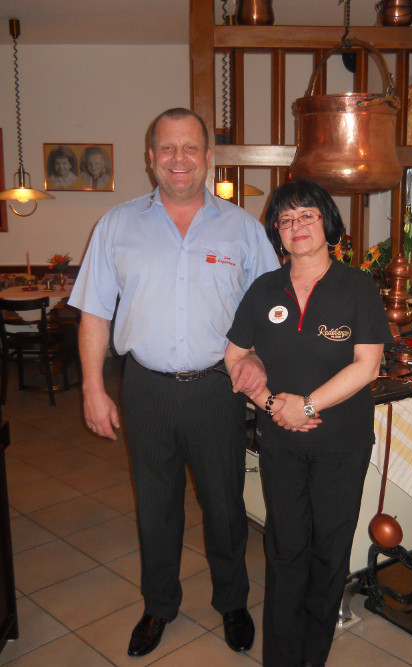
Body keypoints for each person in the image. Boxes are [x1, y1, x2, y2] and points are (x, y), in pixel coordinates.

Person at [68, 108, 279, 658]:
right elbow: (94, 313)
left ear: (208, 158)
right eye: (167, 148)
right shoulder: (116, 226)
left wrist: (256, 358)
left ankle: (232, 600)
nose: (178, 159)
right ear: (150, 157)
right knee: (156, 507)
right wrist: (94, 388)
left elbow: (269, 310)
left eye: (190, 148)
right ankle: (159, 605)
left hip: (218, 387)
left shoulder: (243, 229)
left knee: (225, 506)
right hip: (146, 389)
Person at [225, 179, 394, 666]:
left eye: (307, 216)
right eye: (285, 219)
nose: (296, 226)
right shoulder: (263, 289)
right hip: (281, 445)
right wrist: (272, 401)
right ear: (276, 231)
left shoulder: (357, 287)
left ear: (328, 223)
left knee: (329, 550)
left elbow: (367, 365)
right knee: (284, 549)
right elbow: (234, 355)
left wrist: (309, 406)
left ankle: (313, 654)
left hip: (342, 445)